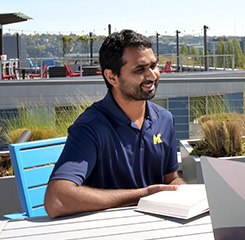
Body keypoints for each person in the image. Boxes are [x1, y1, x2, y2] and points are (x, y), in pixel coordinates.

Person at [44, 30, 185, 218]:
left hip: (159, 225)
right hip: (108, 230)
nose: (152, 75)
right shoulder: (90, 127)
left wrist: (196, 196)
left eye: (153, 66)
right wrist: (142, 195)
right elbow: (56, 200)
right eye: (140, 69)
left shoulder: (165, 119)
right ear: (112, 77)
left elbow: (171, 179)